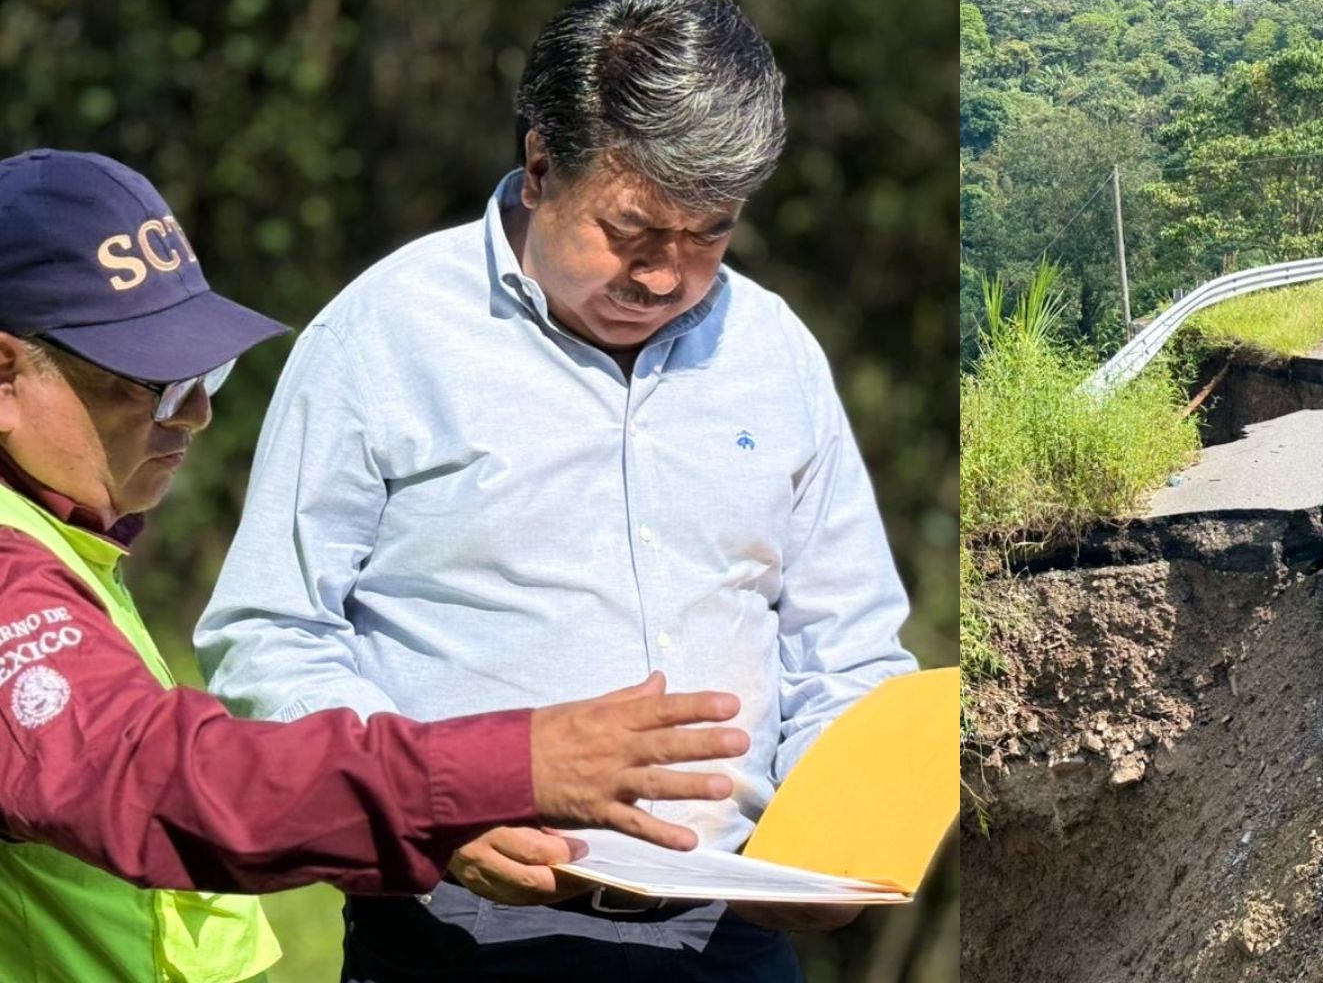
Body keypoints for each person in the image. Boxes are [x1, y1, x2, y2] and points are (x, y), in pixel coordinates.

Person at [195, 0, 917, 980]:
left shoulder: (777, 353)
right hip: (462, 930)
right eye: (631, 231)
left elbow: (846, 648)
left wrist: (847, 837)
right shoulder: (387, 333)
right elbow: (273, 632)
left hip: (735, 931)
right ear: (540, 165)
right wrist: (423, 816)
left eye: (708, 233)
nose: (667, 274)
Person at [0, 148, 758, 982]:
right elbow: (159, 778)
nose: (199, 416)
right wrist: (506, 766)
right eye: (155, 384)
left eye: (206, 374)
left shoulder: (59, 541)